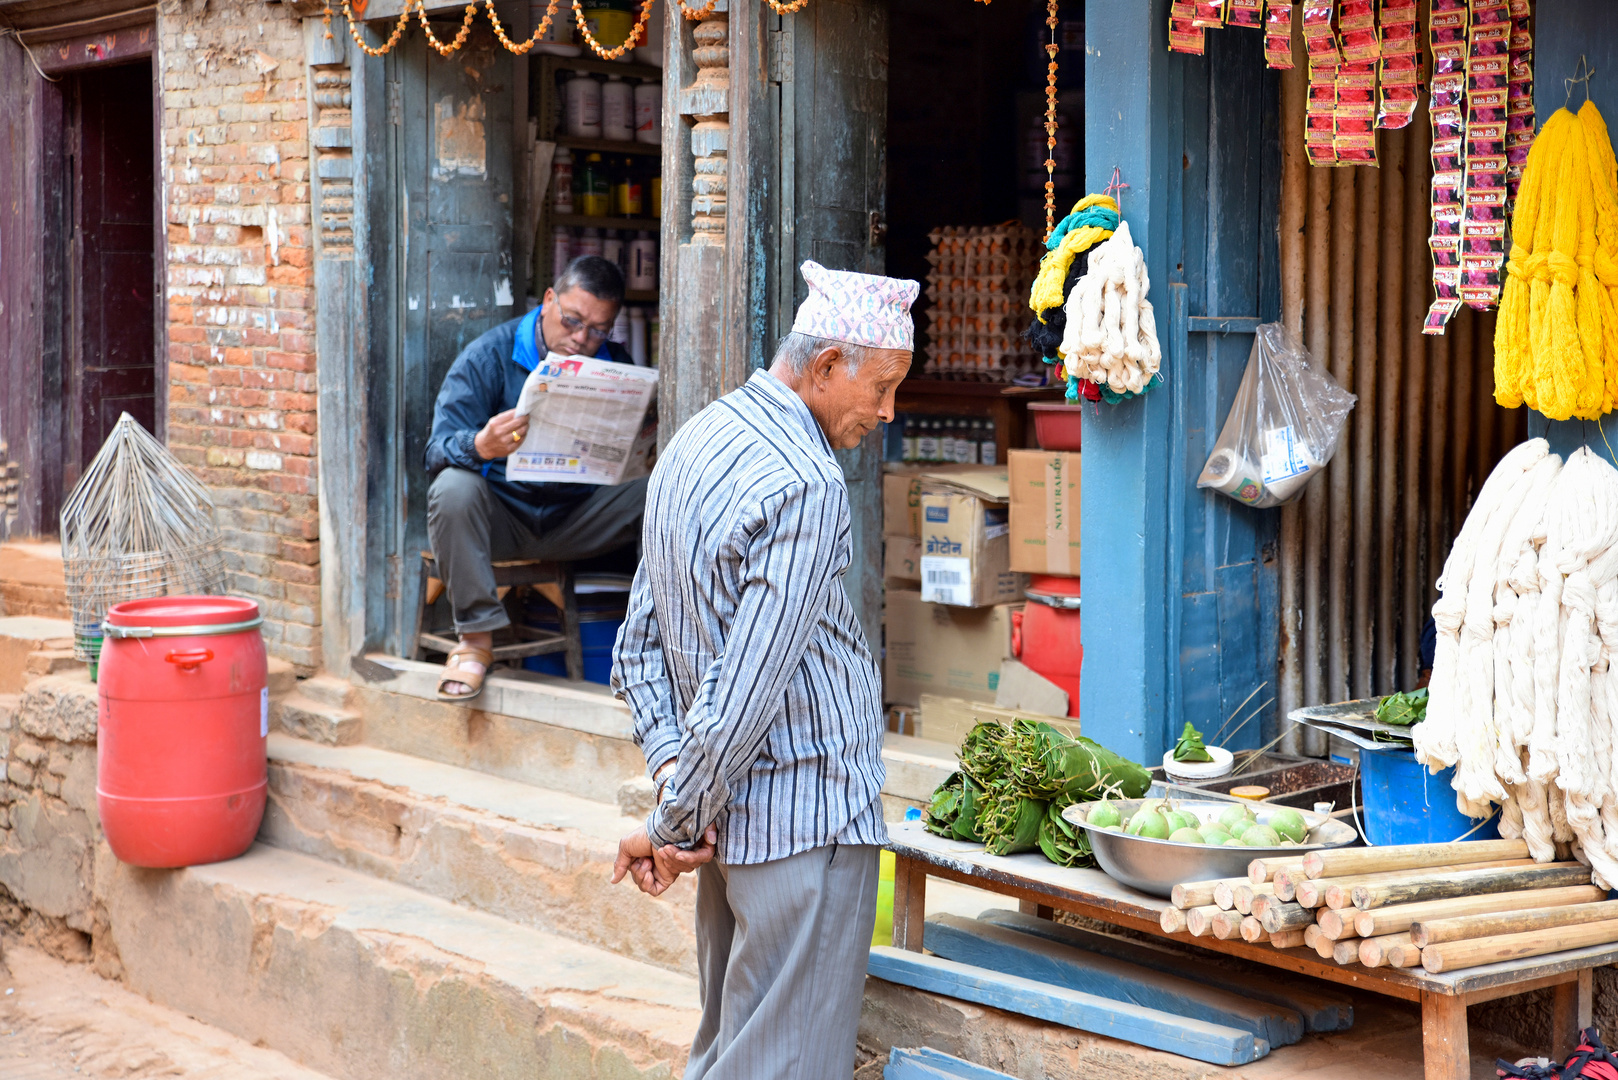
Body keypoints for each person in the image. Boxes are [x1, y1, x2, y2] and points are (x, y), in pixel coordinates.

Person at [609, 260, 919, 1080]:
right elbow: (743, 694)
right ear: (824, 366)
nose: (887, 412)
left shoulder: (696, 439)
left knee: (729, 1056)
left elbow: (638, 648)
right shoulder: (809, 483)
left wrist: (677, 789)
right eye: (882, 386)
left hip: (736, 835)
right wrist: (676, 823)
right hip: (807, 823)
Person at [424, 255, 648, 700]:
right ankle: (475, 643)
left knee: (666, 491)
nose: (582, 339)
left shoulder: (614, 362)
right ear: (549, 300)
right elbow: (436, 449)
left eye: (598, 330)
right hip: (503, 520)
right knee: (451, 488)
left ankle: (653, 644)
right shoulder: (488, 356)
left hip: (578, 518)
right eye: (572, 321)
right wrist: (480, 446)